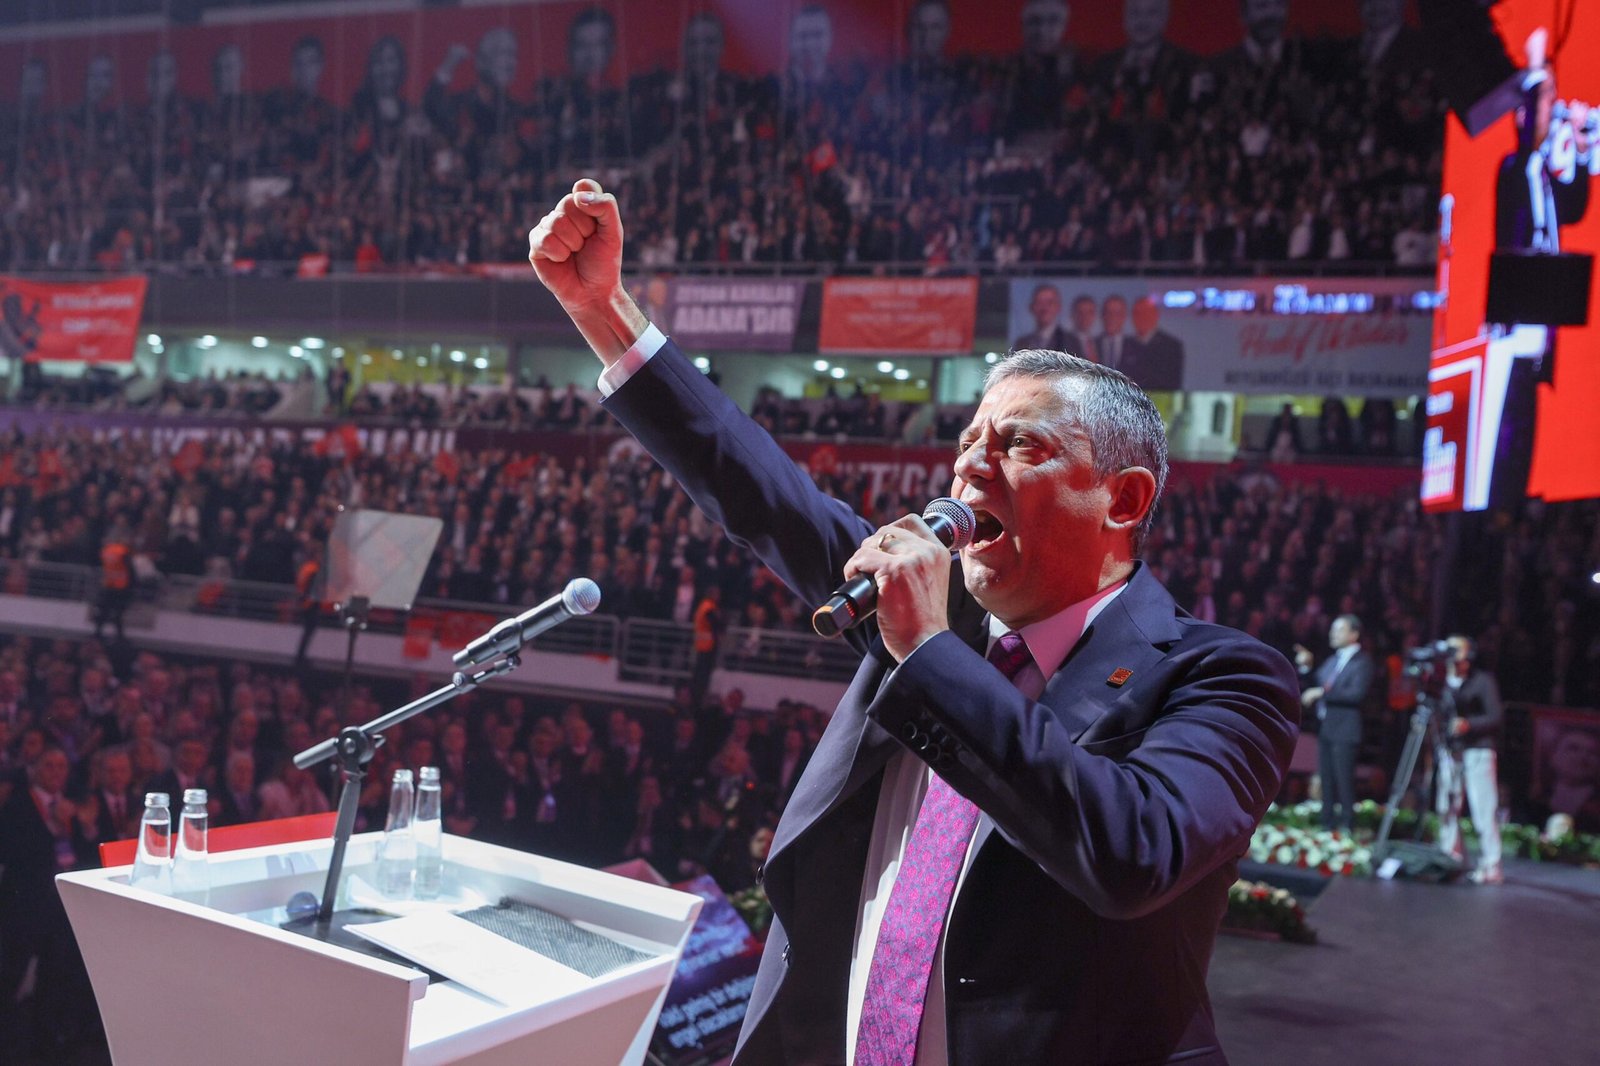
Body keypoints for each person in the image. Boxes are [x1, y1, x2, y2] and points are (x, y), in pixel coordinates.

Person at [529, 178, 1299, 1065]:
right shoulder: (931, 620)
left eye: (1021, 444)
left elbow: (1130, 853)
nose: (971, 468)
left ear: (1121, 500)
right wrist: (604, 312)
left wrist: (929, 652)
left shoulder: (1224, 678)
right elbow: (759, 493)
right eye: (969, 441)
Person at [1434, 635, 1503, 884]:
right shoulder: (1441, 682)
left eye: (1458, 650)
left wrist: (1468, 725)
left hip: (1478, 750)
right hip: (1450, 751)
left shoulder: (1482, 681)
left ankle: (1491, 864)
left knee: (1483, 808)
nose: (1453, 655)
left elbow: (1495, 716)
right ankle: (1451, 857)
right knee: (1446, 805)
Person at [1294, 614, 1373, 831]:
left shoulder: (1362, 662)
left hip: (1346, 729)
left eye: (1339, 630)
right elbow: (1315, 682)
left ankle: (1347, 826)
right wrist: (1307, 666)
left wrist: (1322, 693)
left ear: (1354, 634)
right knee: (1326, 780)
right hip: (1326, 728)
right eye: (1333, 629)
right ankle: (1327, 826)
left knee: (1344, 781)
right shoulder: (1333, 660)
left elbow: (1355, 694)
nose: (1333, 634)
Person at [1121, 296, 1185, 391]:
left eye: (1146, 313)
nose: (1141, 317)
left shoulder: (1171, 346)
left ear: (1155, 315)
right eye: (1137, 313)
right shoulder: (1125, 344)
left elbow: (1172, 384)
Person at [1011, 283, 1069, 351]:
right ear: (1031, 307)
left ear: (1058, 307)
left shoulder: (1070, 341)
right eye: (1039, 302)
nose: (1044, 308)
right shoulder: (1021, 343)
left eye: (1049, 303)